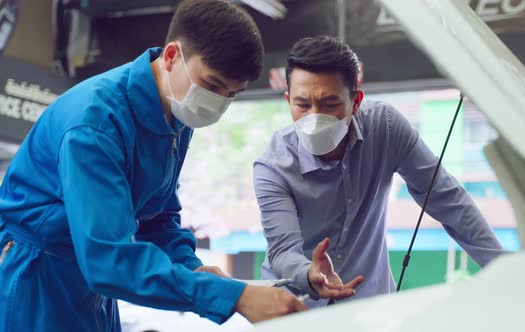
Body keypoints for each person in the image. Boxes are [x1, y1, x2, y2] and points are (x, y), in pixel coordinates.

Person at [0, 1, 306, 330]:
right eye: (214, 85)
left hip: (91, 284)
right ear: (172, 56)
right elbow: (109, 261)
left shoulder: (177, 112)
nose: (217, 103)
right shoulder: (94, 126)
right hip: (37, 279)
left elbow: (158, 218)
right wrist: (233, 296)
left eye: (232, 94)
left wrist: (192, 268)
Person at [254, 36, 505, 307]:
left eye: (330, 105)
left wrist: (505, 270)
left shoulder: (385, 128)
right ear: (288, 100)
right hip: (295, 306)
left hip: (370, 305)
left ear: (356, 101)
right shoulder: (272, 167)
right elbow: (282, 251)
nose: (315, 118)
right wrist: (308, 274)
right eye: (302, 105)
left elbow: (446, 198)